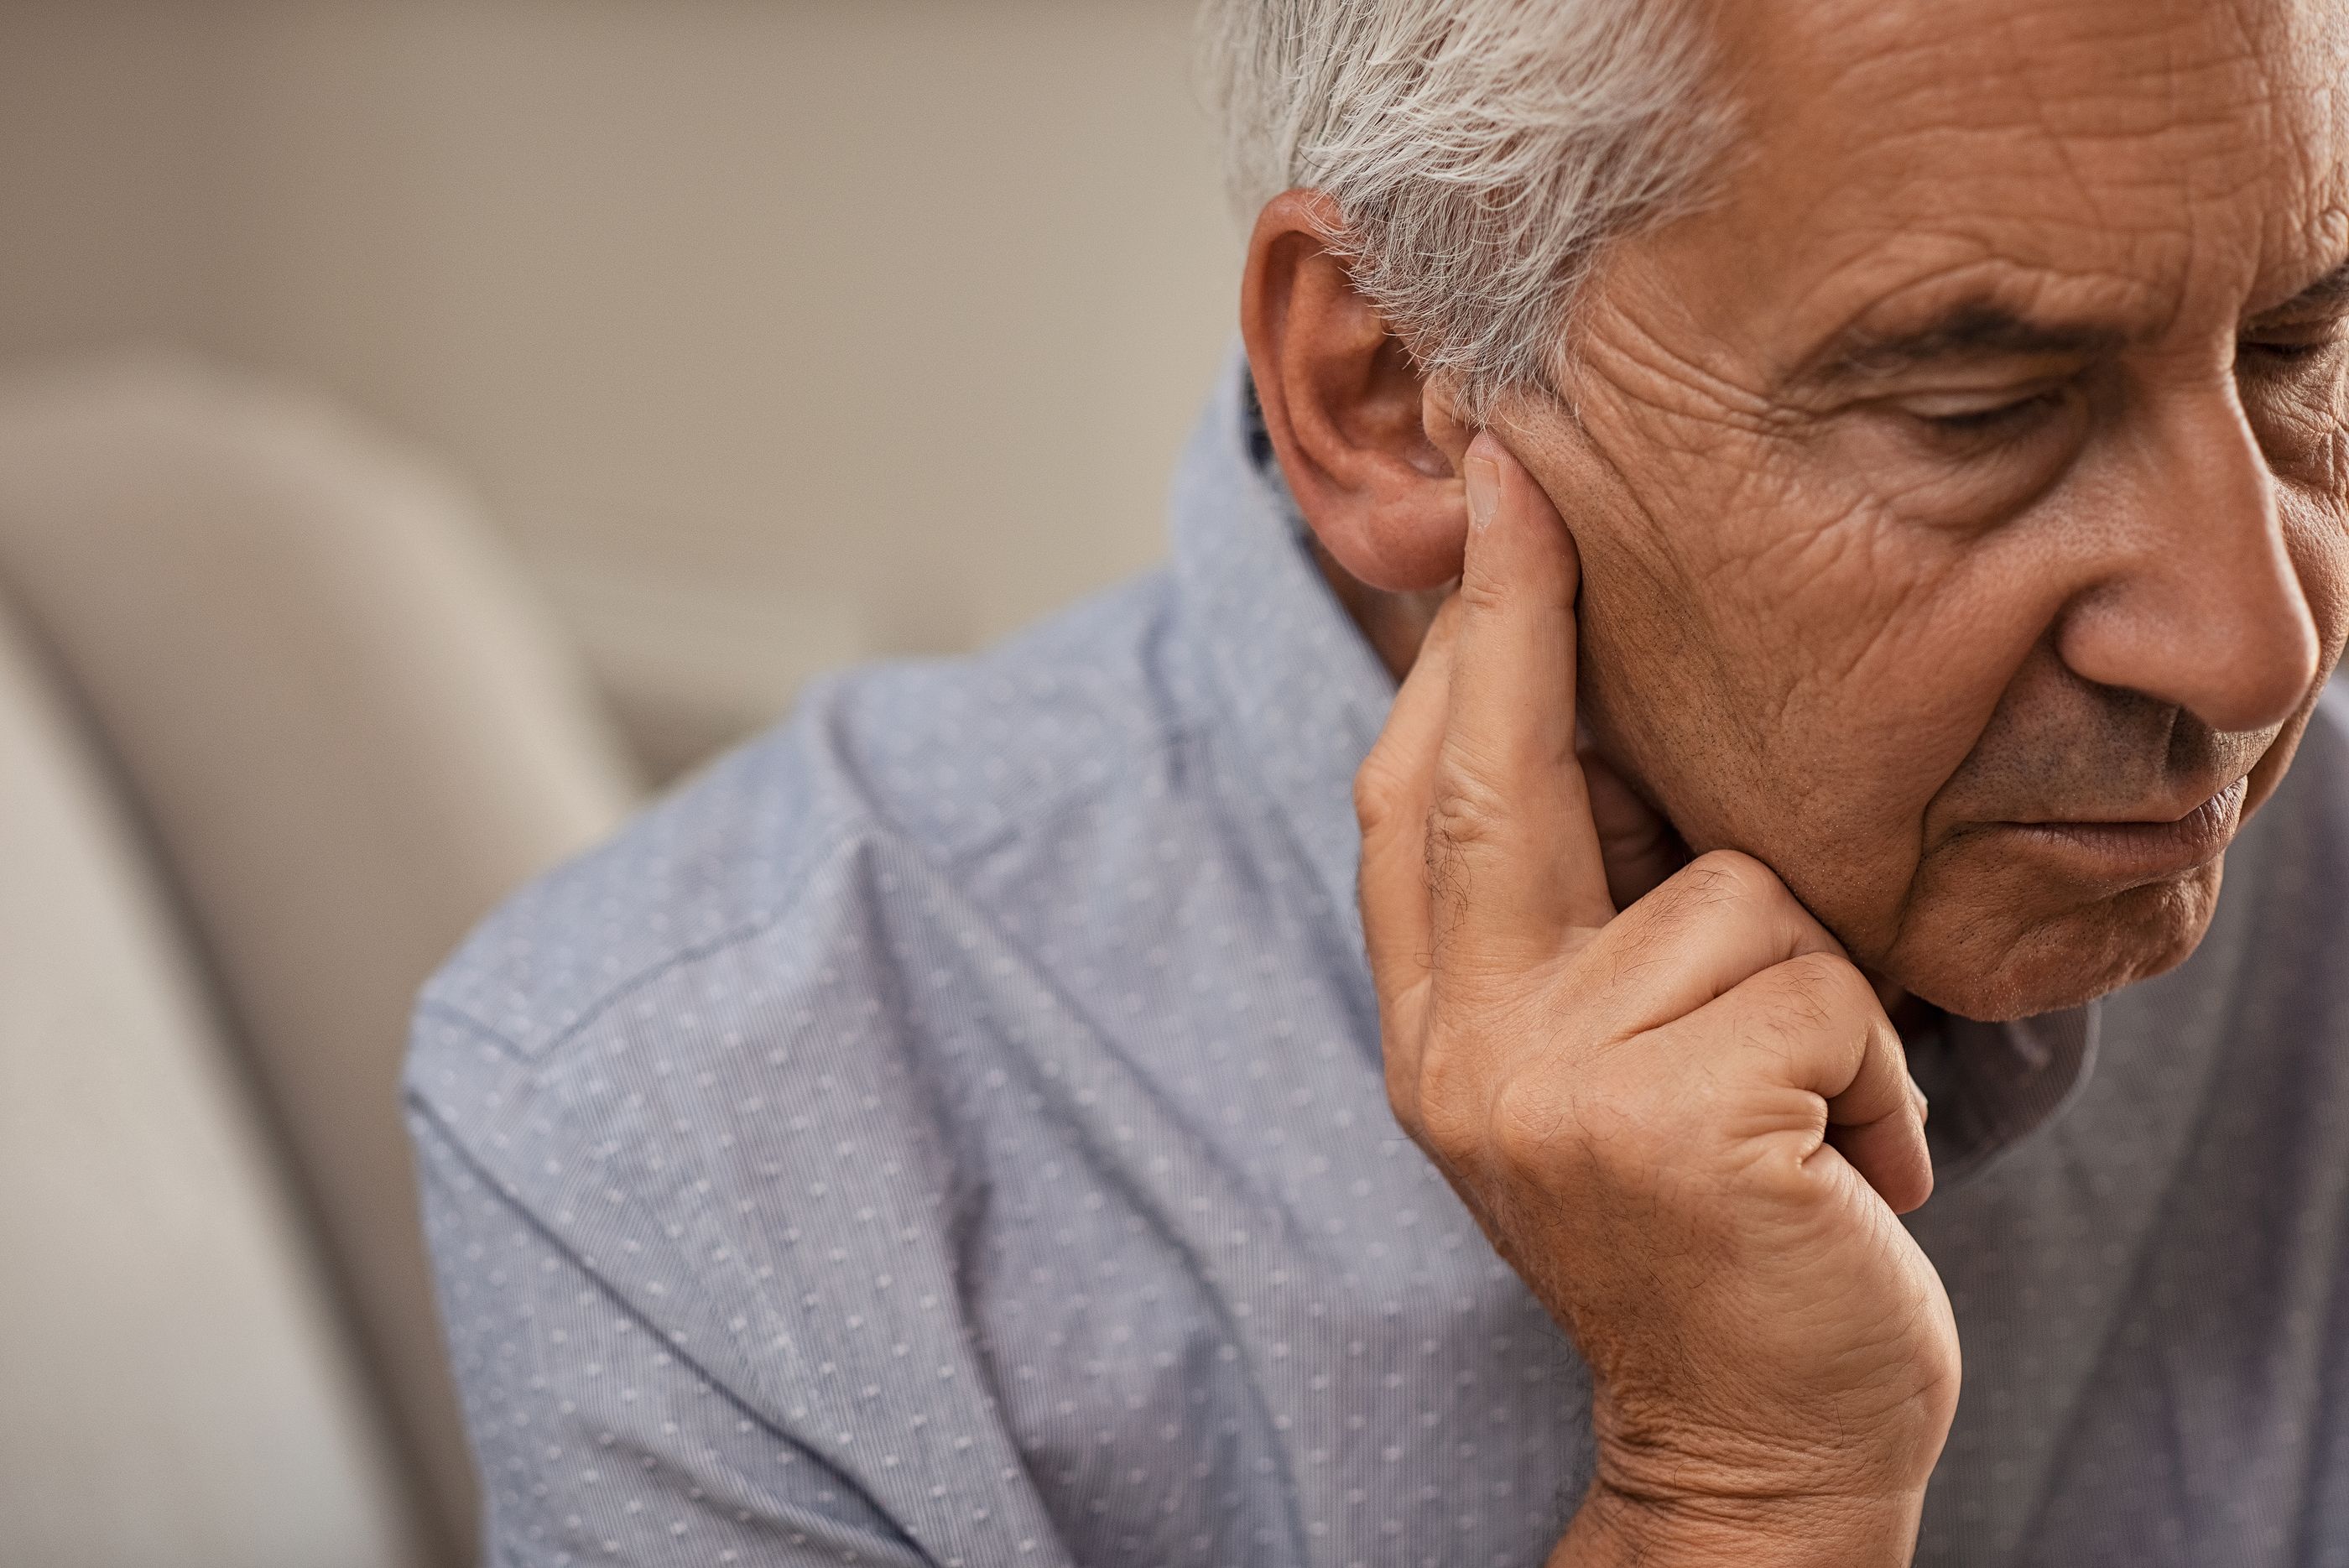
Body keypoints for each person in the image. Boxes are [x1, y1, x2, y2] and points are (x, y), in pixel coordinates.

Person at [407, 0, 2349, 1562]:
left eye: (2295, 346)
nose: (2252, 645)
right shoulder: (683, 1138)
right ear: (1389, 393)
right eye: (1978, 408)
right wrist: (1735, 1495)